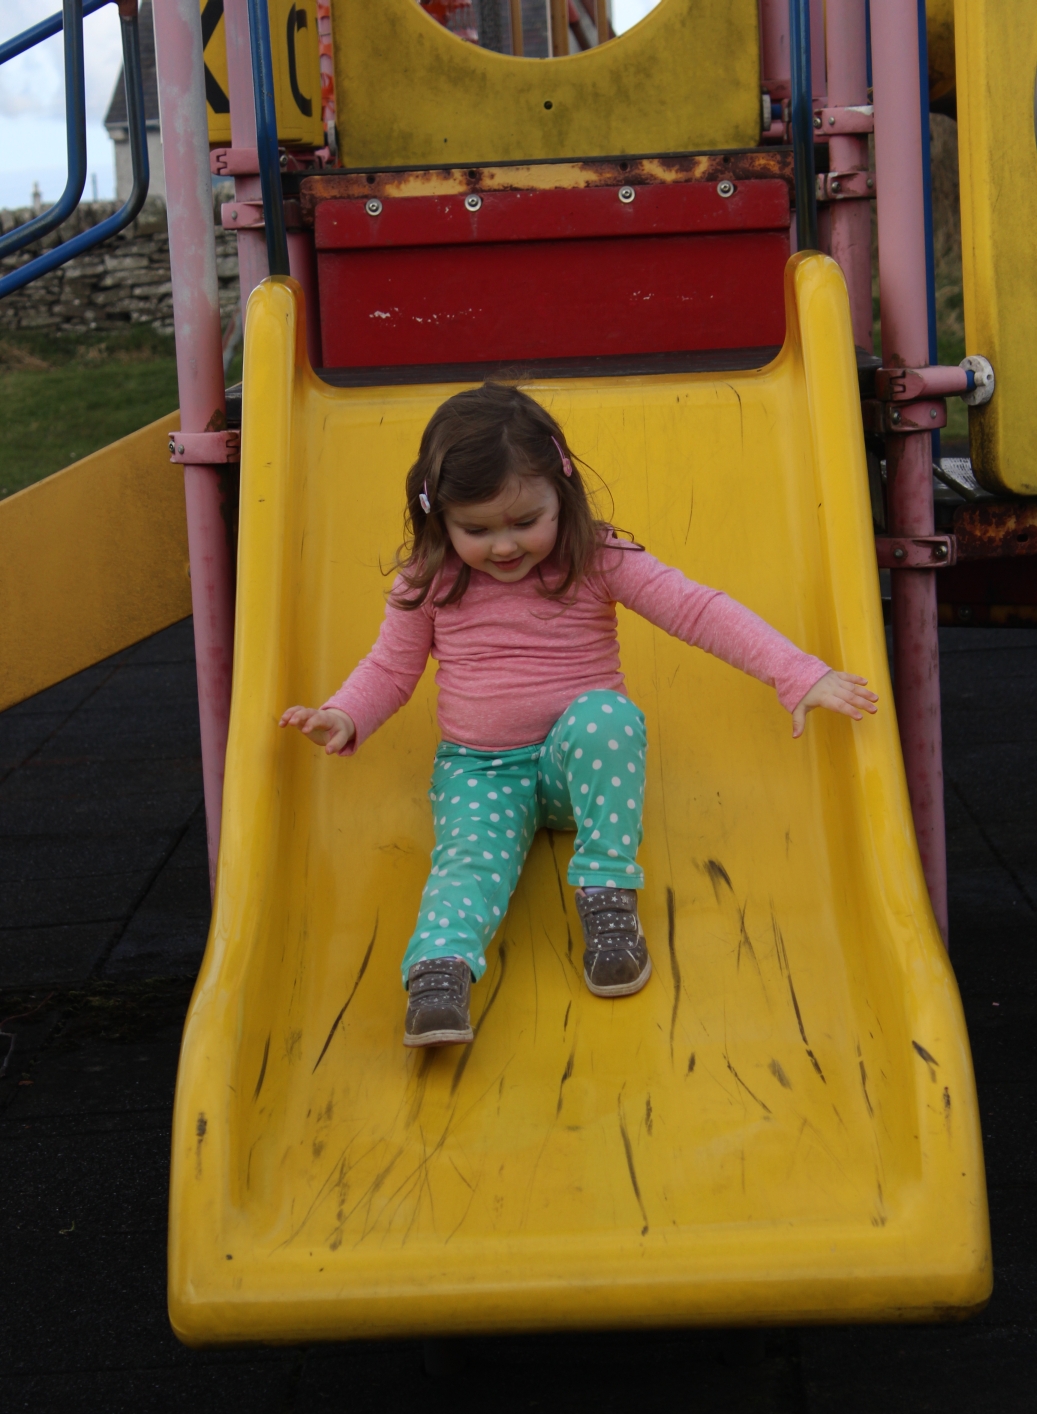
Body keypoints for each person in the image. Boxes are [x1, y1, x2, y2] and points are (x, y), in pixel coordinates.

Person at [280, 384, 877, 1048]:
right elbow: (391, 670)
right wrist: (344, 713)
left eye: (525, 520)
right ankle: (438, 974)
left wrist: (796, 673)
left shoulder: (597, 557)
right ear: (438, 517)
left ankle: (607, 900)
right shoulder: (431, 578)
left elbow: (697, 610)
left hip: (578, 770)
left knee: (607, 718)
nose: (504, 545)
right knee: (467, 863)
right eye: (476, 529)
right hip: (481, 770)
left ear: (561, 491)